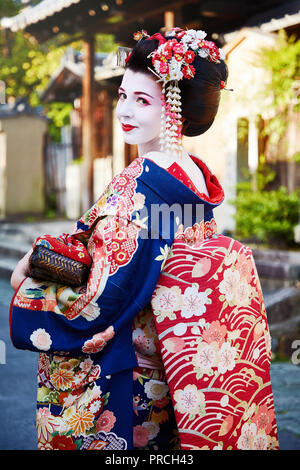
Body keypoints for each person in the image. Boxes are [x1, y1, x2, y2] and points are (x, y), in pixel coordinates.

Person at [10, 27, 279, 451]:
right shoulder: (193, 174)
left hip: (130, 372)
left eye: (142, 100)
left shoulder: (140, 183)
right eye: (122, 96)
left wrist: (31, 279)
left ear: (174, 110)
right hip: (176, 368)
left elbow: (102, 293)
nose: (125, 111)